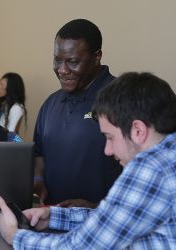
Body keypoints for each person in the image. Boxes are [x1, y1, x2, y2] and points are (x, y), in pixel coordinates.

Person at [0, 72, 176, 248]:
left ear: (138, 130)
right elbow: (114, 220)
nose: (107, 150)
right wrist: (53, 217)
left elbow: (83, 247)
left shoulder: (151, 168)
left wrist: (16, 236)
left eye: (110, 137)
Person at [33, 19, 122, 208]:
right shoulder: (51, 103)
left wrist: (97, 206)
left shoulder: (121, 97)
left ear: (97, 56)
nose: (62, 70)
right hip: (51, 218)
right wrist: (38, 179)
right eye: (57, 60)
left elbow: (141, 166)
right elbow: (39, 153)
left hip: (103, 221)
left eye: (73, 62)